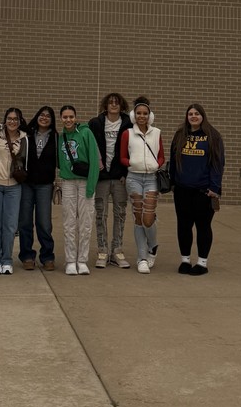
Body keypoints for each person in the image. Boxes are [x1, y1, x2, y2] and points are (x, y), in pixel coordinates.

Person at [169, 102, 225, 276]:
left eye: (197, 114)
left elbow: (218, 163)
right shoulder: (180, 135)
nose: (193, 116)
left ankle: (202, 262)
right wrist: (172, 182)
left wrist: (214, 187)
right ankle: (185, 260)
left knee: (203, 226)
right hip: (182, 189)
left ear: (202, 116)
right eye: (190, 114)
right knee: (184, 226)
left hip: (204, 191)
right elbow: (173, 159)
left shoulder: (212, 136)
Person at [120, 96, 164, 274]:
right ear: (133, 115)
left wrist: (157, 165)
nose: (142, 116)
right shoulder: (127, 134)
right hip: (134, 178)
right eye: (138, 113)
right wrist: (131, 164)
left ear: (150, 115)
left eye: (145, 113)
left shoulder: (157, 133)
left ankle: (152, 245)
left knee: (148, 218)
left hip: (151, 178)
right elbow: (122, 156)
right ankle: (142, 258)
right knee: (138, 218)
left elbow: (161, 155)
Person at [89, 92, 132, 268]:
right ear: (105, 105)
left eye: (117, 103)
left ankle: (117, 251)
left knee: (120, 214)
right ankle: (102, 251)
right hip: (101, 177)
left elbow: (132, 149)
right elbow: (90, 148)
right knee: (101, 214)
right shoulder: (95, 123)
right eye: (110, 102)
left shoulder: (129, 124)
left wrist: (125, 172)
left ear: (122, 106)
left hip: (120, 177)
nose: (113, 105)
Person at [57, 105, 100, 275]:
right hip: (67, 182)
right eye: (65, 117)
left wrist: (91, 186)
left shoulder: (86, 133)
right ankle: (70, 260)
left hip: (85, 183)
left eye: (71, 117)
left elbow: (94, 161)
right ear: (61, 118)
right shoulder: (60, 137)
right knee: (69, 222)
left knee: (85, 222)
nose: (68, 120)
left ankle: (82, 260)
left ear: (75, 117)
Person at [0, 107, 28, 275]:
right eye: (9, 118)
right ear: (5, 120)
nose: (12, 122)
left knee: (10, 225)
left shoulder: (24, 138)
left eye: (16, 119)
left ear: (20, 121)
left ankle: (7, 260)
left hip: (14, 187)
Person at [18, 106, 57, 271]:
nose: (45, 118)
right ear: (37, 116)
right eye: (42, 115)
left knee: (44, 223)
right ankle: (27, 255)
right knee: (25, 221)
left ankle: (47, 256)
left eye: (48, 116)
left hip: (45, 185)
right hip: (27, 184)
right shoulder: (27, 135)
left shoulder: (56, 137)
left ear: (52, 120)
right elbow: (19, 156)